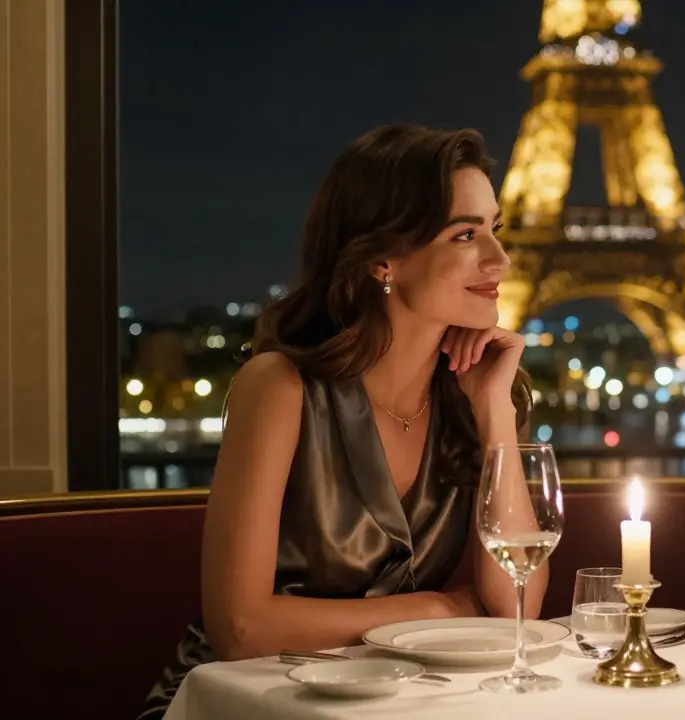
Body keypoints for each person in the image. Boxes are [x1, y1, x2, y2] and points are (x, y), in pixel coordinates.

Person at [139, 125, 542, 717]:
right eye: (465, 234)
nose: (500, 259)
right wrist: (436, 610)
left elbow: (516, 605)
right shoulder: (279, 388)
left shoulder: (473, 397)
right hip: (243, 702)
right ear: (384, 258)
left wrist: (495, 416)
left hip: (387, 700)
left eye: (496, 229)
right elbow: (242, 631)